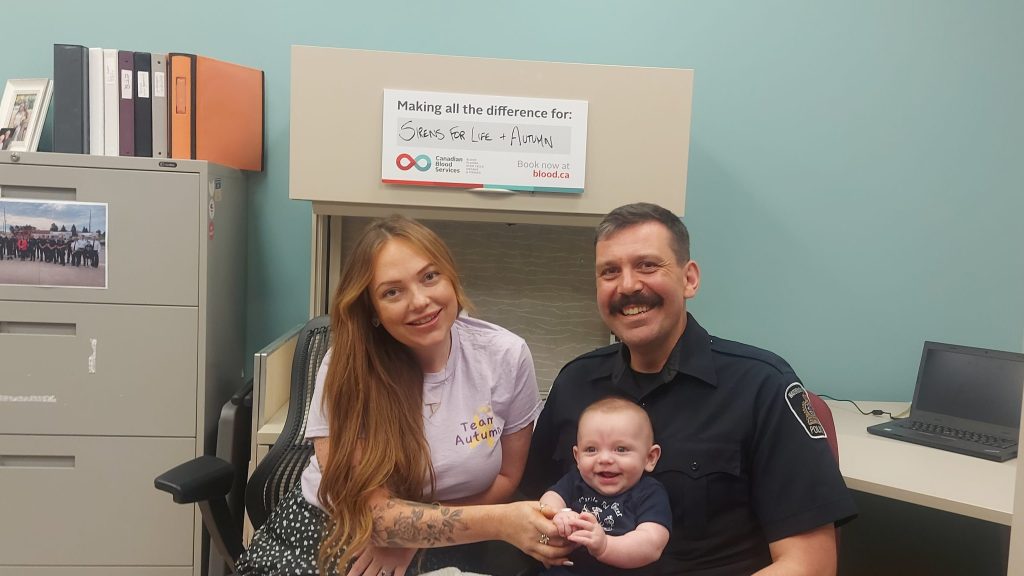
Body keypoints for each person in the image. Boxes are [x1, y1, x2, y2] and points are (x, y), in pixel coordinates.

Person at [522, 202, 857, 576]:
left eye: (648, 265)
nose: (628, 285)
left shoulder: (761, 385)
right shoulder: (574, 384)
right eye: (610, 272)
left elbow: (810, 564)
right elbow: (531, 514)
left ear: (689, 279)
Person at [237, 215, 570, 576]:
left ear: (451, 277)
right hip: (336, 533)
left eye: (430, 277)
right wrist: (501, 522)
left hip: (453, 538)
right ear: (373, 311)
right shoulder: (347, 367)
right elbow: (371, 515)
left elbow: (507, 478)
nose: (421, 301)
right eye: (392, 292)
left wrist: (416, 531)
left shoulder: (505, 354)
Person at [540, 396, 670, 575]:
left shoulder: (649, 493)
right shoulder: (574, 481)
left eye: (621, 449)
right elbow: (549, 499)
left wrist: (605, 546)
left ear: (650, 458)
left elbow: (652, 544)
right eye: (591, 449)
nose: (605, 459)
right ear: (577, 457)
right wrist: (558, 515)